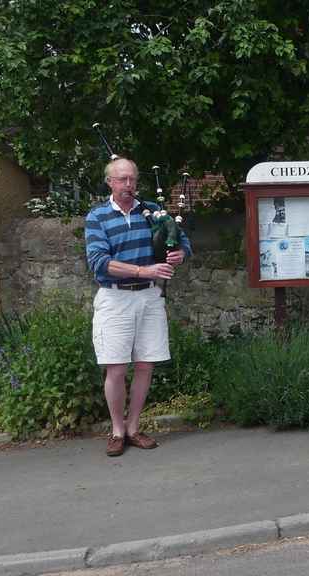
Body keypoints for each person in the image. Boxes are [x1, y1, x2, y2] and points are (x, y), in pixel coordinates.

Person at [85, 157, 192, 457]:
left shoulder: (153, 212)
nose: (128, 185)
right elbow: (99, 262)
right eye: (122, 179)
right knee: (116, 368)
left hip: (149, 297)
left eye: (132, 179)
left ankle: (133, 428)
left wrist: (179, 254)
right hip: (115, 297)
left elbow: (182, 241)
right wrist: (144, 271)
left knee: (145, 364)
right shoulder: (98, 217)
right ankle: (117, 430)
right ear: (110, 182)